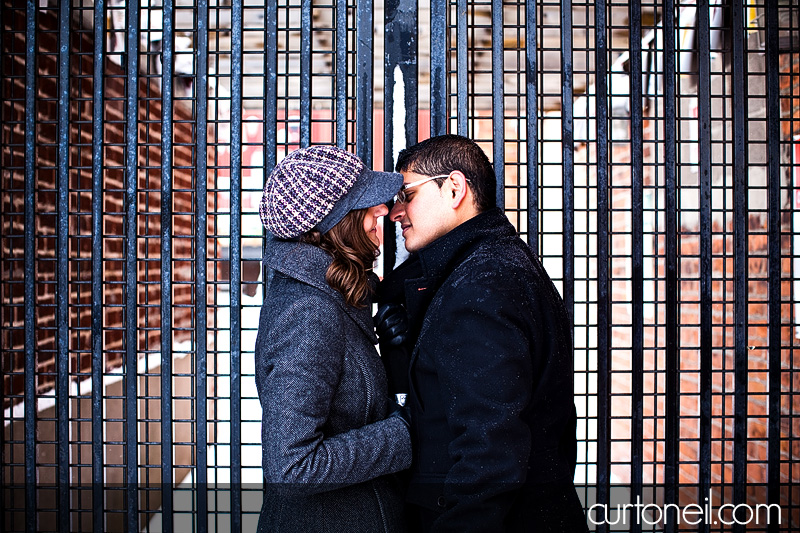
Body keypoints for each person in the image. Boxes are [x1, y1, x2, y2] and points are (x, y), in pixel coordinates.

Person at [374, 134, 588, 532]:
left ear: (454, 188)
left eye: (407, 195)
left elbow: (489, 450)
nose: (395, 212)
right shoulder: (489, 264)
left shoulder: (481, 285)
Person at [255, 145, 412, 533]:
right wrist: (407, 432)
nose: (385, 214)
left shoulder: (328, 295)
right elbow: (291, 467)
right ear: (334, 224)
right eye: (368, 206)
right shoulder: (309, 312)